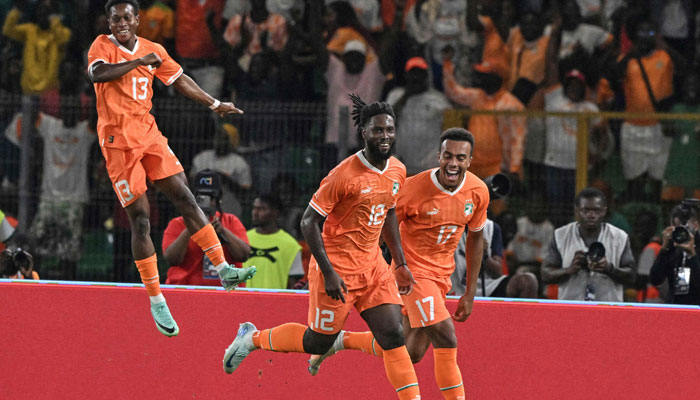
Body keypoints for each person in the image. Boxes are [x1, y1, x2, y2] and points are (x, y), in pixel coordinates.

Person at [222, 94, 421, 400]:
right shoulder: (344, 174)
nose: (385, 136)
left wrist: (401, 263)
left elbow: (390, 211)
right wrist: (328, 273)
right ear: (364, 132)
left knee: (394, 335)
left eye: (389, 130)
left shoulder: (397, 169)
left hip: (373, 266)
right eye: (378, 130)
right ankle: (253, 338)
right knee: (317, 342)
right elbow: (307, 222)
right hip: (337, 269)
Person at [87, 0, 256, 337]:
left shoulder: (154, 49)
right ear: (109, 21)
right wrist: (138, 62)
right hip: (118, 144)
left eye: (127, 17)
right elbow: (97, 73)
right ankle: (155, 298)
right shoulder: (102, 46)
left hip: (149, 135)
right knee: (141, 219)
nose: (121, 22)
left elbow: (179, 79)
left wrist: (214, 103)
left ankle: (223, 268)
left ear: (138, 20)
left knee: (185, 196)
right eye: (115, 18)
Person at [309, 128, 488, 400]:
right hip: (412, 274)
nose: (453, 163)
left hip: (442, 277)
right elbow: (385, 221)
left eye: (460, 158)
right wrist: (385, 264)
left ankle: (341, 340)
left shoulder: (477, 191)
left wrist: (470, 291)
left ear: (470, 160)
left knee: (411, 352)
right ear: (438, 156)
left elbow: (475, 239)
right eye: (448, 156)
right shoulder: (414, 188)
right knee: (447, 337)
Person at [541, 187, 636, 302]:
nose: (591, 215)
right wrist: (569, 270)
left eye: (596, 210)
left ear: (604, 211)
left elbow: (631, 276)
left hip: (607, 309)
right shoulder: (561, 235)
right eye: (585, 210)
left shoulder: (619, 237)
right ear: (576, 211)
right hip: (571, 309)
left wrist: (608, 268)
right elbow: (545, 274)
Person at [163, 170, 250, 286]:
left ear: (219, 198)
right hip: (186, 289)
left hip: (226, 291)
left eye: (211, 197)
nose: (207, 202)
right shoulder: (178, 223)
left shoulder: (230, 221)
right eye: (202, 197)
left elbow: (243, 255)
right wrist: (191, 226)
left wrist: (223, 231)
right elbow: (172, 259)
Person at [385, 56, 450, 175]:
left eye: (419, 73)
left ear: (426, 76)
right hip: (402, 165)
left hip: (430, 167)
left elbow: (450, 130)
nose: (416, 77)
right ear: (406, 75)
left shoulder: (438, 99)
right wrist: (406, 96)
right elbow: (386, 121)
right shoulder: (395, 95)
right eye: (412, 74)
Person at [2, 0, 71, 95]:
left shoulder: (61, 33)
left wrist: (54, 17)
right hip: (29, 88)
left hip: (50, 90)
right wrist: (17, 10)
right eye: (40, 10)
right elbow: (8, 30)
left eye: (46, 11)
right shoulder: (29, 30)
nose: (42, 14)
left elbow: (63, 39)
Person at [243, 194, 304, 289]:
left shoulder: (290, 245)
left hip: (276, 302)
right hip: (243, 301)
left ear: (275, 213)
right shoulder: (242, 239)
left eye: (261, 209)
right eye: (254, 208)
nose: (255, 212)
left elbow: (293, 286)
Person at [190, 123, 251, 217]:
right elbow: (190, 183)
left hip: (228, 211)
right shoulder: (202, 157)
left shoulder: (239, 163)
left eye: (224, 138)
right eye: (217, 136)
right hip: (202, 212)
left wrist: (224, 179)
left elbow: (245, 192)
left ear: (231, 141)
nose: (219, 141)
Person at [649, 200, 700, 305]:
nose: (679, 232)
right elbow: (655, 279)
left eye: (683, 228)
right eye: (675, 227)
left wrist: (692, 255)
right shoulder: (672, 248)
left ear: (696, 225)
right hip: (675, 308)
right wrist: (664, 249)